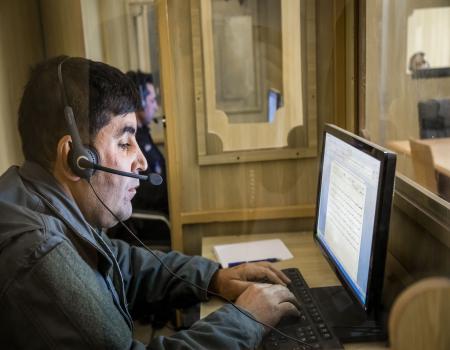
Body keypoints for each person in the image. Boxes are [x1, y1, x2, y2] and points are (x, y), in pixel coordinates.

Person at [0, 56, 299, 349]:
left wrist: (213, 278)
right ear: (76, 159)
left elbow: (122, 265)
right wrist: (247, 320)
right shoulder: (40, 256)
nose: (141, 161)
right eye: (125, 143)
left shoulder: (39, 201)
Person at [126, 70, 168, 214]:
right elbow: (145, 194)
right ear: (141, 101)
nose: (156, 106)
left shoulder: (143, 134)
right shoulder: (132, 140)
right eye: (152, 100)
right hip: (153, 221)